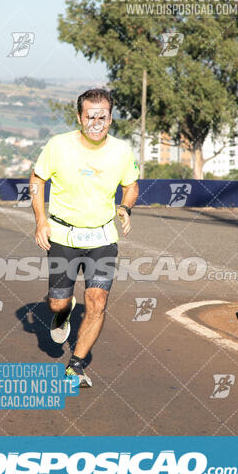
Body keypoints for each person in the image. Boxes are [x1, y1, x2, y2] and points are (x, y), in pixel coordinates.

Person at [30, 88, 139, 387]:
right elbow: (38, 179)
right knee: (57, 303)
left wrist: (126, 207)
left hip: (102, 237)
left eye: (102, 117)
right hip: (63, 235)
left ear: (111, 118)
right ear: (79, 117)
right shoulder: (58, 146)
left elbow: (131, 184)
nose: (96, 123)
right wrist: (41, 220)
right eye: (90, 116)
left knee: (97, 300)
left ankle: (75, 366)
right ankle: (62, 315)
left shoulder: (121, 151)